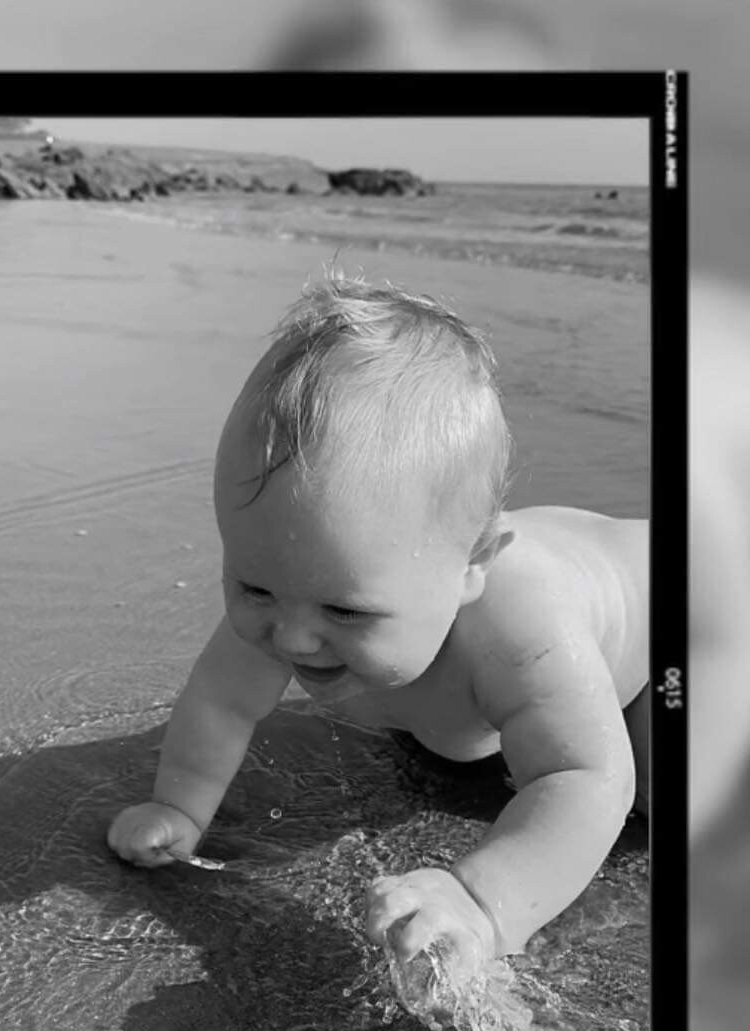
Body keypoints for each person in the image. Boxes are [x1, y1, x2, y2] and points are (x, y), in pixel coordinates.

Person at [107, 272, 648, 977]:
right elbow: (221, 699)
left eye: (345, 610)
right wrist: (177, 807)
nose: (291, 638)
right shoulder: (300, 585)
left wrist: (483, 903)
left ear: (472, 567)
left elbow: (588, 776)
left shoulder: (521, 625)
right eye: (253, 586)